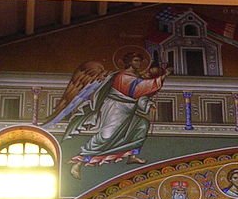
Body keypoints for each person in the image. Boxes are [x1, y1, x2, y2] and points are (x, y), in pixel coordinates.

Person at [64, 51, 171, 179]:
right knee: (106, 137)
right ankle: (78, 163)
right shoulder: (123, 76)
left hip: (129, 108)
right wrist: (162, 78)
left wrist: (148, 104)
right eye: (136, 60)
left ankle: (132, 155)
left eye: (139, 61)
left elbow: (140, 95)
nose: (139, 63)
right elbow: (137, 89)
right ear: (129, 62)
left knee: (142, 125)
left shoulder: (136, 77)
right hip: (116, 107)